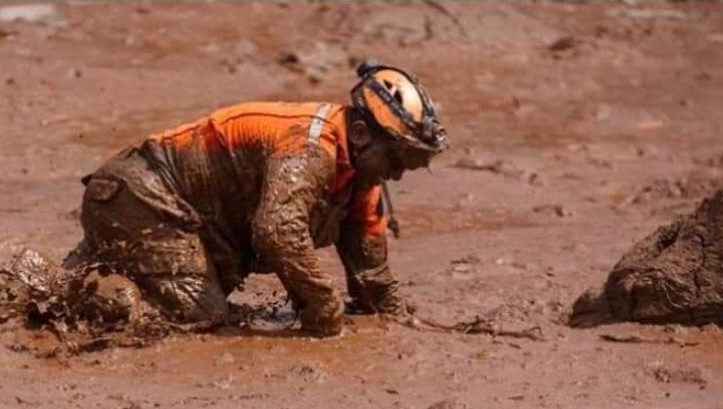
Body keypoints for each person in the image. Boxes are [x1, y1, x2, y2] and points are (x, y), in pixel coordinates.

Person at [70, 61, 449, 337]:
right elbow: (278, 231)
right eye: (396, 160)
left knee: (207, 299)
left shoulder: (361, 175)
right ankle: (95, 294)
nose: (398, 175)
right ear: (363, 134)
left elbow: (373, 273)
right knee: (201, 314)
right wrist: (322, 303)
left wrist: (393, 316)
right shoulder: (311, 147)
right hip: (143, 195)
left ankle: (90, 271)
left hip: (181, 213)